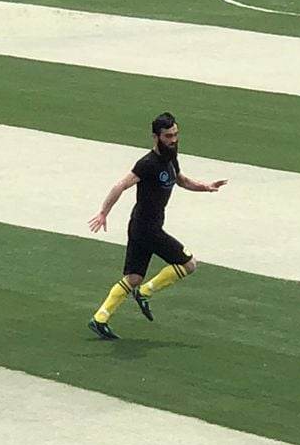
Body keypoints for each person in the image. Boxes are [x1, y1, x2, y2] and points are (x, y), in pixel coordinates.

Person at [86, 112, 227, 341]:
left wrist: (206, 186)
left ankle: (100, 319)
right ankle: (145, 292)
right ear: (156, 137)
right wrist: (104, 212)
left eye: (175, 134)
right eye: (168, 136)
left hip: (141, 226)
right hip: (147, 228)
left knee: (133, 277)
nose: (173, 140)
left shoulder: (171, 157)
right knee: (189, 264)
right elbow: (120, 185)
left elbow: (182, 180)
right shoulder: (148, 164)